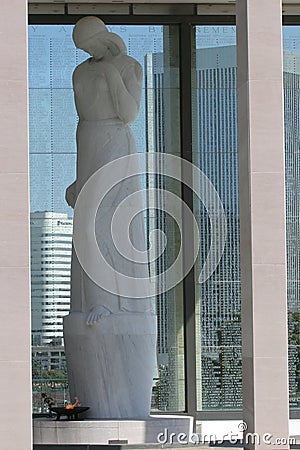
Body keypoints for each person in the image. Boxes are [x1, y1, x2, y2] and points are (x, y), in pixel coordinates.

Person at [66, 16, 152, 324]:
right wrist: (78, 177)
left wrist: (109, 74)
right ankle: (94, 299)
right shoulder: (80, 72)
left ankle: (113, 301)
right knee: (86, 226)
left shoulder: (129, 67)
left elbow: (128, 113)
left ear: (103, 38)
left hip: (116, 143)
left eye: (88, 44)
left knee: (106, 222)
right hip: (89, 145)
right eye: (81, 48)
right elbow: (81, 122)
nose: (85, 52)